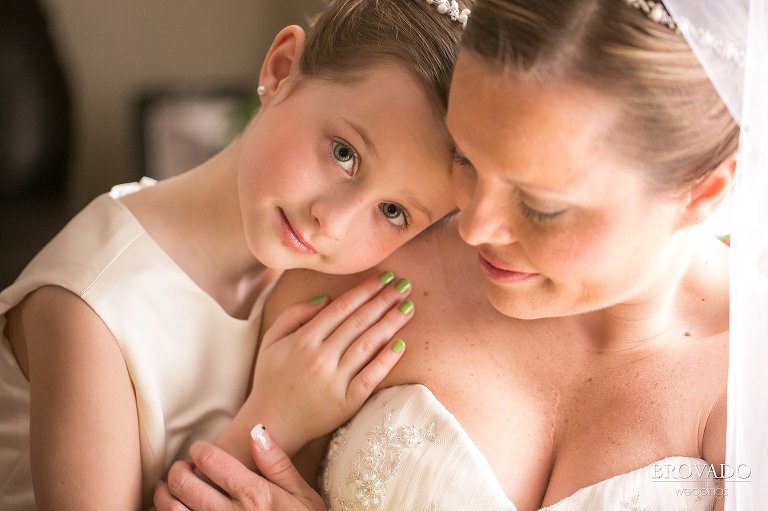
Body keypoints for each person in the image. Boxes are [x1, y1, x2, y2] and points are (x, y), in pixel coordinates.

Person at [154, 0, 745, 509]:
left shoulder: (747, 386)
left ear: (703, 192)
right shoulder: (361, 272)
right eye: (465, 159)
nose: (476, 226)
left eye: (540, 206)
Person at [0, 0, 476, 508]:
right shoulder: (93, 309)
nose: (334, 222)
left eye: (394, 211)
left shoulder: (300, 279)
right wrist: (274, 420)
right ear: (281, 68)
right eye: (345, 154)